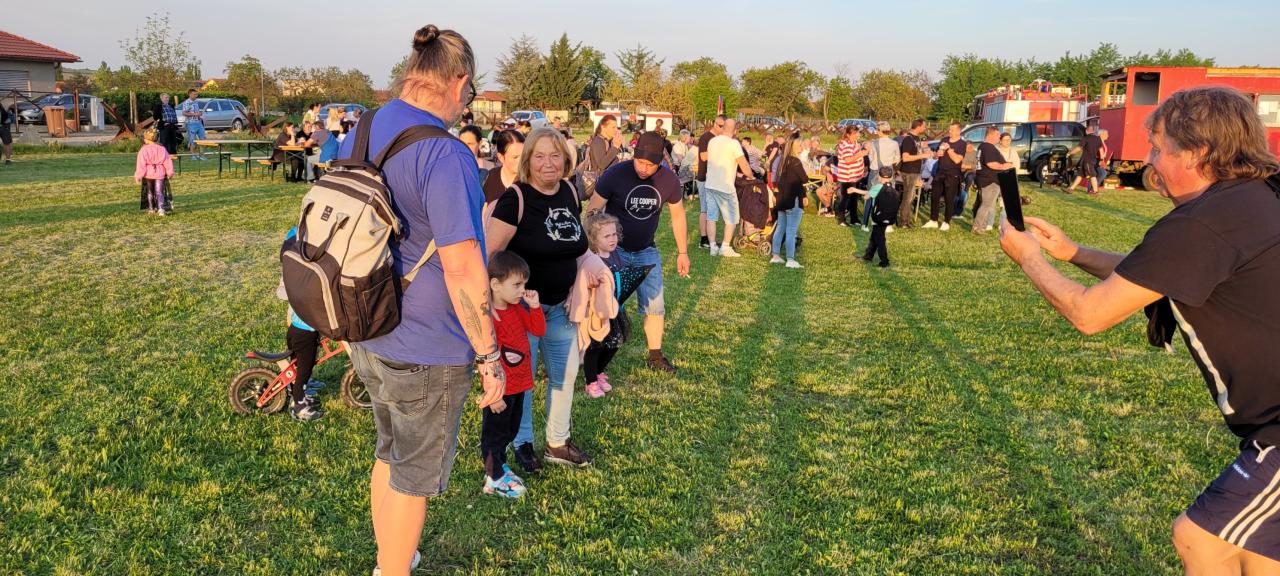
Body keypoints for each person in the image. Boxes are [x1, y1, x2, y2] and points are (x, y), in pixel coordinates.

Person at [998, 86, 1280, 576]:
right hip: (1267, 423)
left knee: (1201, 538)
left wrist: (1030, 260)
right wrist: (1073, 252)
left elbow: (1089, 314)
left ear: (1197, 153)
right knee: (1255, 549)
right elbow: (1159, 272)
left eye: (1158, 148)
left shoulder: (1204, 222)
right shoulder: (1253, 199)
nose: (1150, 161)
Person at [337, 25, 503, 576]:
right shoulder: (445, 153)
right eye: (470, 93)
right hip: (427, 343)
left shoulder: (366, 125)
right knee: (413, 479)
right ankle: (393, 568)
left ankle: (392, 557)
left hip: (368, 322)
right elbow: (463, 267)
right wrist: (489, 355)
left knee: (390, 454)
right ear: (459, 81)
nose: (466, 104)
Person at [486, 127, 594, 471]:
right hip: (521, 310)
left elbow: (574, 242)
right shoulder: (515, 199)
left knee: (565, 375)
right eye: (540, 156)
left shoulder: (569, 191)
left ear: (566, 159)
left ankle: (557, 442)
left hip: (560, 307)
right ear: (528, 161)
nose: (548, 163)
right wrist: (497, 305)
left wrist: (580, 283)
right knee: (523, 381)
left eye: (555, 155)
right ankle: (522, 444)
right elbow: (490, 255)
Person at [588, 131, 690, 374]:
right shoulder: (615, 174)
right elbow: (592, 210)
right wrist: (591, 252)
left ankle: (655, 356)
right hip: (614, 251)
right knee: (604, 304)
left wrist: (683, 252)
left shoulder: (669, 180)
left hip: (646, 250)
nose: (643, 168)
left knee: (655, 304)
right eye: (640, 162)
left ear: (660, 162)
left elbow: (678, 216)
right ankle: (592, 353)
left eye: (650, 165)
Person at [480, 250, 543, 498]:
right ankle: (494, 477)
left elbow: (538, 330)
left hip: (519, 384)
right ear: (495, 284)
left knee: (510, 430)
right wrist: (492, 392)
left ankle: (500, 466)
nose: (522, 290)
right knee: (494, 434)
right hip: (500, 389)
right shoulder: (489, 319)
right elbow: (485, 358)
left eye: (524, 284)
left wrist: (535, 307)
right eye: (516, 285)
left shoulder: (517, 309)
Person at [279, 228, 325, 421]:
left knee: (298, 364)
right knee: (304, 368)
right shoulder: (309, 281)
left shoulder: (297, 278)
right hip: (305, 332)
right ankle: (298, 404)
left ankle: (297, 391)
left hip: (296, 329)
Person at [580, 211, 625, 397]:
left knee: (615, 342)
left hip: (616, 309)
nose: (612, 239)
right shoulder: (592, 260)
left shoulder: (616, 255)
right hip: (597, 312)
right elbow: (584, 285)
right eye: (607, 236)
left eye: (614, 234)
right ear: (593, 238)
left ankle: (599, 372)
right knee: (596, 345)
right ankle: (590, 381)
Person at [705, 118, 754, 257]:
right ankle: (725, 247)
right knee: (732, 218)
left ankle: (713, 247)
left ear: (723, 127)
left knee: (711, 217)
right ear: (735, 130)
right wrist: (751, 176)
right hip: (725, 186)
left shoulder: (712, 141)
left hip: (710, 183)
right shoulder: (734, 144)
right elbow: (743, 164)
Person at [770, 135, 808, 268]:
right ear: (794, 147)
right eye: (800, 146)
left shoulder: (782, 160)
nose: (802, 148)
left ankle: (775, 255)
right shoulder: (795, 161)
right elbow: (804, 178)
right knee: (791, 230)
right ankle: (790, 259)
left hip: (782, 199)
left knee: (780, 227)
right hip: (793, 200)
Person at [925, 121, 967, 230]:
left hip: (953, 174)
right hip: (940, 172)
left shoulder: (962, 144)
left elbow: (957, 160)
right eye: (949, 129)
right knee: (934, 197)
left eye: (952, 130)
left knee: (949, 198)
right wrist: (937, 154)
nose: (950, 131)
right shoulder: (944, 140)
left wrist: (948, 149)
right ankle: (933, 220)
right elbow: (936, 155)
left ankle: (946, 222)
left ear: (958, 131)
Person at [973, 126, 1015, 234]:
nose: (999, 137)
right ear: (990, 135)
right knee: (987, 204)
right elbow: (990, 163)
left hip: (984, 179)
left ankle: (982, 226)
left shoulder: (982, 146)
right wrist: (1004, 166)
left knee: (985, 204)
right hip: (990, 181)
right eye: (997, 134)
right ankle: (977, 227)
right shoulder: (988, 147)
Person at [695, 116, 725, 248]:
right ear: (714, 124)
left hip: (714, 178)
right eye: (720, 126)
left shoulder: (720, 138)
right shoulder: (706, 137)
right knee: (705, 209)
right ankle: (703, 239)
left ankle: (709, 237)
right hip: (704, 177)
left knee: (711, 209)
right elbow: (703, 156)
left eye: (724, 126)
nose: (722, 128)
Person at [861, 167, 900, 268]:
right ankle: (868, 256)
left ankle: (884, 261)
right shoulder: (892, 188)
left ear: (879, 176)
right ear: (891, 178)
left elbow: (866, 197)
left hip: (878, 217)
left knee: (880, 239)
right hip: (888, 218)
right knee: (875, 237)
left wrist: (862, 192)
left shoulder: (877, 187)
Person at [897, 119, 930, 228]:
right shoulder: (908, 139)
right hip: (908, 172)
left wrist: (928, 153)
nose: (925, 128)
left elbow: (917, 153)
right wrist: (922, 156)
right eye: (924, 126)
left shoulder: (917, 138)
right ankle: (903, 222)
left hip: (914, 172)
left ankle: (906, 220)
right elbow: (905, 158)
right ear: (918, 126)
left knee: (910, 197)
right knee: (908, 197)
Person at [834, 125, 869, 227]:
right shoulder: (846, 144)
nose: (857, 135)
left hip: (856, 176)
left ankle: (854, 218)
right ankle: (841, 219)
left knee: (854, 198)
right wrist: (860, 154)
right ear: (848, 135)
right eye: (854, 134)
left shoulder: (855, 143)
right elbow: (848, 160)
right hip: (847, 176)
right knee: (845, 198)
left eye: (857, 133)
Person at [134, 128, 173, 215]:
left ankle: (151, 209)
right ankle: (161, 208)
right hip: (160, 173)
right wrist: (170, 172)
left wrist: (138, 175)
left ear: (146, 139)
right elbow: (168, 162)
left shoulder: (143, 150)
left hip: (148, 174)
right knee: (160, 192)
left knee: (150, 192)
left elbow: (141, 164)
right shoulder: (162, 149)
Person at [483, 130, 524, 209]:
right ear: (501, 157)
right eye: (515, 157)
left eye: (524, 156)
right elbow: (484, 211)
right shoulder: (489, 178)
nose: (521, 161)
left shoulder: (532, 180)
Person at [1066, 124, 1106, 195]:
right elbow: (1101, 150)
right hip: (1093, 160)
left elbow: (1079, 148)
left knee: (1092, 175)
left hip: (1087, 161)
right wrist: (1102, 159)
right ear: (1093, 131)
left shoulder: (1085, 138)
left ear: (1086, 131)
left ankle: (1095, 191)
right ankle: (1071, 189)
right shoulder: (1098, 139)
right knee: (1080, 175)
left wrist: (1070, 153)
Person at [180, 89, 207, 160]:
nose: (196, 96)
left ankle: (201, 155)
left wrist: (199, 114)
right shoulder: (187, 102)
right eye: (194, 94)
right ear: (190, 94)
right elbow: (184, 113)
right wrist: (195, 114)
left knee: (203, 138)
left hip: (199, 123)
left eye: (196, 94)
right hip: (191, 124)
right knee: (192, 140)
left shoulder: (196, 102)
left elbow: (196, 112)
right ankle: (193, 155)